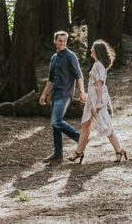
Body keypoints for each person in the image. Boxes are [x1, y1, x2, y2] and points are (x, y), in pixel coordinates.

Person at [69, 39, 127, 164]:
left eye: (92, 49)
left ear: (97, 51)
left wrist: (99, 102)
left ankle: (119, 150)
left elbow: (100, 85)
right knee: (85, 125)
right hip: (92, 99)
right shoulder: (97, 64)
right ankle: (78, 152)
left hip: (97, 99)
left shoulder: (99, 65)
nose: (90, 50)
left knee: (105, 124)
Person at [38, 30, 86, 164]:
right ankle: (58, 154)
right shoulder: (54, 58)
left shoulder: (70, 56)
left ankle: (80, 138)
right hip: (55, 94)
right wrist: (44, 94)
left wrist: (82, 91)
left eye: (64, 41)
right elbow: (51, 80)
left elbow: (79, 75)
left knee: (56, 121)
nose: (62, 43)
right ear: (55, 41)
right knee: (56, 126)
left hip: (66, 94)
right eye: (60, 41)